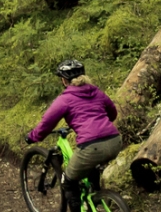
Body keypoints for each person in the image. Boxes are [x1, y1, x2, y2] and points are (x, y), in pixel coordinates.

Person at [25, 59, 123, 211]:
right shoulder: (97, 92)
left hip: (92, 147)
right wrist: (99, 125)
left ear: (64, 80)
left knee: (68, 181)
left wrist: (33, 137)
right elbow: (112, 113)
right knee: (91, 168)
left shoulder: (65, 99)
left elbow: (47, 123)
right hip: (115, 141)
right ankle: (95, 195)